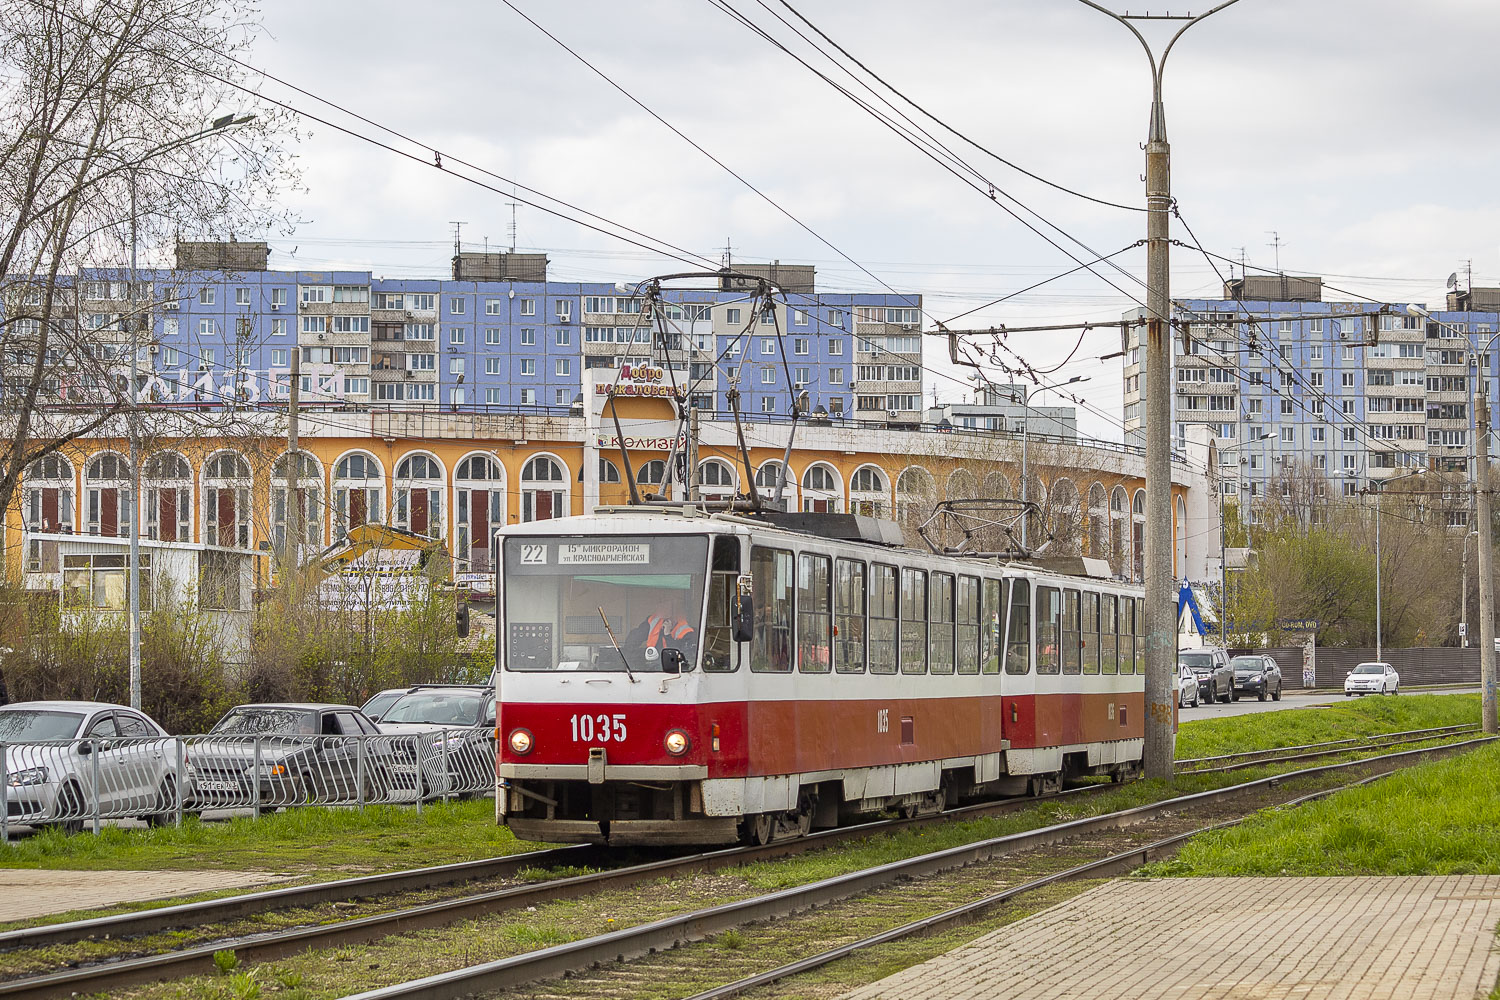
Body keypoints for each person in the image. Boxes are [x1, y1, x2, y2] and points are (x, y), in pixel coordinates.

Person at [626, 593, 697, 667]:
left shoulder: (687, 632)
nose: (657, 607)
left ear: (673, 610)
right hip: (652, 666)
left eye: (663, 604)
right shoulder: (653, 620)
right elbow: (633, 639)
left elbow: (684, 658)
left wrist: (668, 635)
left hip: (674, 669)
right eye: (659, 603)